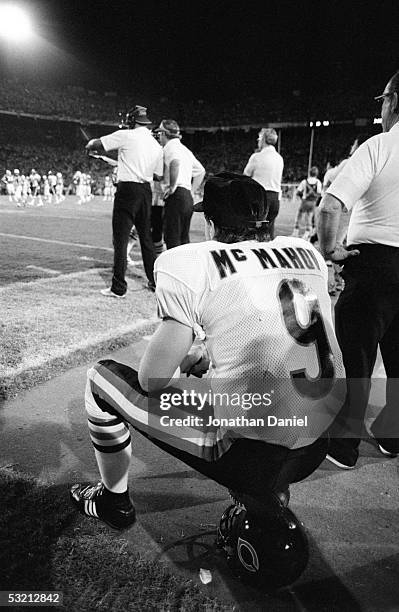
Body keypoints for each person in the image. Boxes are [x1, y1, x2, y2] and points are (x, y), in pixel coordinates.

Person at [70, 172, 345, 588]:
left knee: (101, 380)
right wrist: (206, 352)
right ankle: (269, 493)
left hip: (252, 453)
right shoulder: (305, 253)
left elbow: (153, 379)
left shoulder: (190, 262)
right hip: (319, 441)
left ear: (212, 225)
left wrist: (187, 358)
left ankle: (112, 502)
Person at [318, 70, 399, 469]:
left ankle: (344, 444)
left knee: (356, 357)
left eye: (382, 101)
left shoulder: (380, 145)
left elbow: (332, 205)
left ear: (394, 101)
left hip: (375, 264)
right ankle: (392, 435)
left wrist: (331, 250)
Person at [86, 105, 163, 296]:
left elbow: (95, 144)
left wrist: (90, 145)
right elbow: (158, 175)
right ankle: (155, 282)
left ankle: (118, 287)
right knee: (146, 239)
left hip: (127, 190)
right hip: (146, 191)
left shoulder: (127, 135)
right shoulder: (156, 144)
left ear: (132, 121)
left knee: (120, 239)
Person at [154, 119, 205, 249]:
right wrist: (192, 191)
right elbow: (200, 171)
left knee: (172, 239)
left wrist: (172, 187)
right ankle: (186, 268)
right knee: (184, 239)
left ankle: (176, 268)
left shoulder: (170, 147)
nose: (159, 136)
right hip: (186, 196)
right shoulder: (185, 150)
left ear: (165, 134)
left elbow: (175, 163)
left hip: (176, 196)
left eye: (160, 133)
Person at [243, 127, 284, 239]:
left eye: (259, 138)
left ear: (263, 140)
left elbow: (246, 175)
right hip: (275, 198)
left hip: (260, 197)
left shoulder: (257, 157)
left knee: (253, 235)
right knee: (268, 235)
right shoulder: (280, 158)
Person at [292, 166, 322, 240]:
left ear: (309, 173)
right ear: (316, 174)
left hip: (305, 201)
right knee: (309, 217)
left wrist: (302, 198)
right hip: (313, 202)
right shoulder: (318, 182)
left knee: (299, 215)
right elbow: (319, 193)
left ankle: (296, 231)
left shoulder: (305, 181)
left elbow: (298, 192)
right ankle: (307, 233)